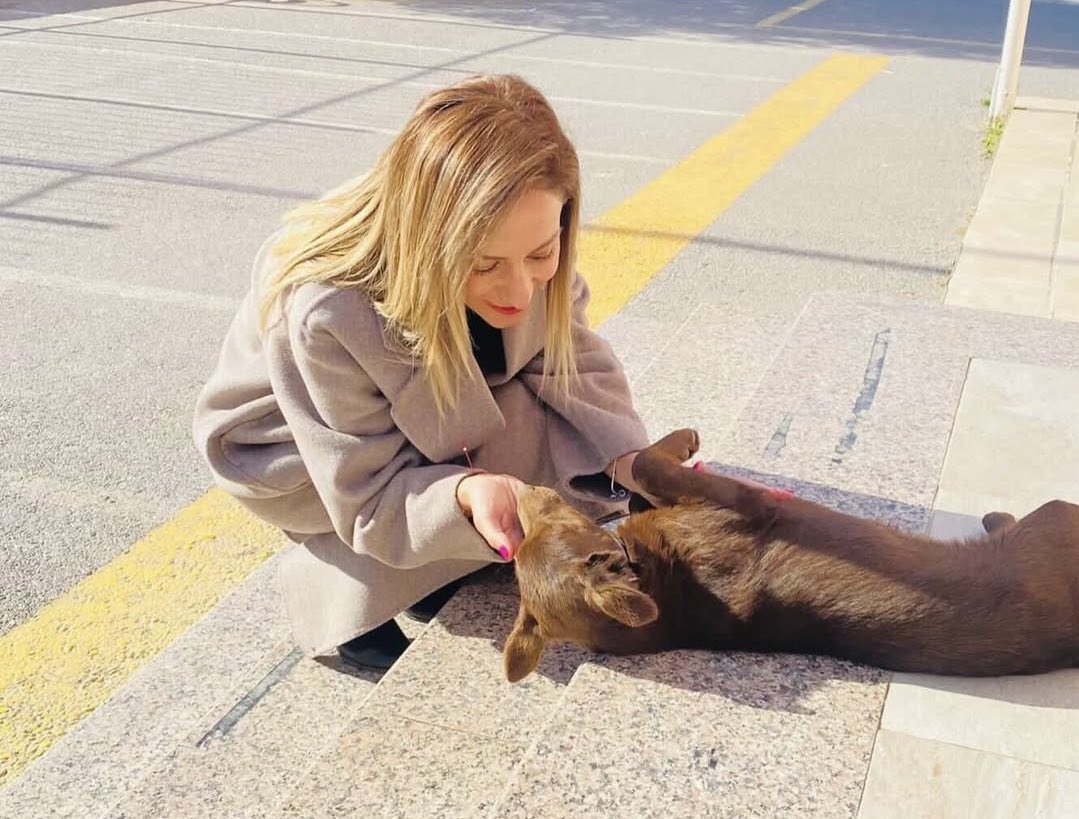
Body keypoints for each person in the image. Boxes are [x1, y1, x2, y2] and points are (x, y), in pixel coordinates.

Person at [192, 74, 657, 672]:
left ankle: (441, 555)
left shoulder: (523, 230)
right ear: (430, 238)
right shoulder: (326, 307)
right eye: (484, 263)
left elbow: (572, 361)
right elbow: (365, 488)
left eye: (542, 254)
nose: (519, 289)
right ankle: (355, 594)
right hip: (292, 448)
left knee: (532, 434)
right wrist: (463, 493)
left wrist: (632, 461)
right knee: (508, 445)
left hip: (420, 385)